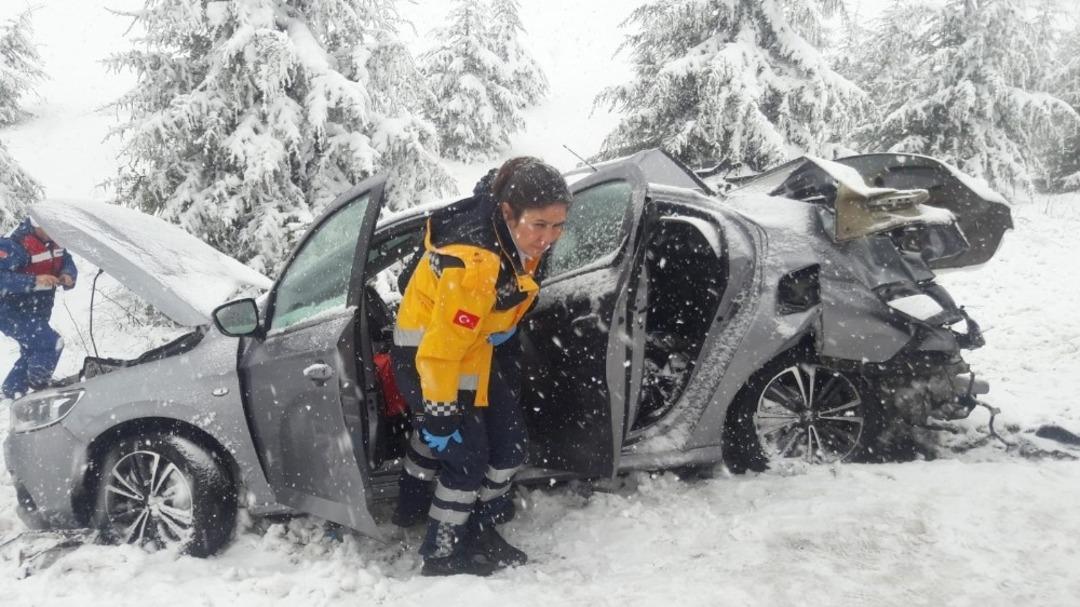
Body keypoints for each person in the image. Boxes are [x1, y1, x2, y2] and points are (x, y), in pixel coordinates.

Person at [390, 157, 571, 576]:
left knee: (509, 449)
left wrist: (502, 329)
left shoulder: (517, 238)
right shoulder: (475, 263)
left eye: (557, 225)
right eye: (540, 225)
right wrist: (438, 412)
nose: (548, 238)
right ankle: (442, 552)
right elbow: (438, 352)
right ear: (508, 212)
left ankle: (480, 528)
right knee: (467, 459)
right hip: (430, 361)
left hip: (474, 351)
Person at [0, 216, 77, 400]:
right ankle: (39, 386)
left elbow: (66, 260)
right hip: (10, 312)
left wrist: (67, 274)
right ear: (36, 225)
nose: (54, 230)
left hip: (37, 311)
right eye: (49, 226)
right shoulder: (13, 245)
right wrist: (34, 281)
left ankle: (12, 391)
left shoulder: (54, 241)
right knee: (50, 343)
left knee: (32, 350)